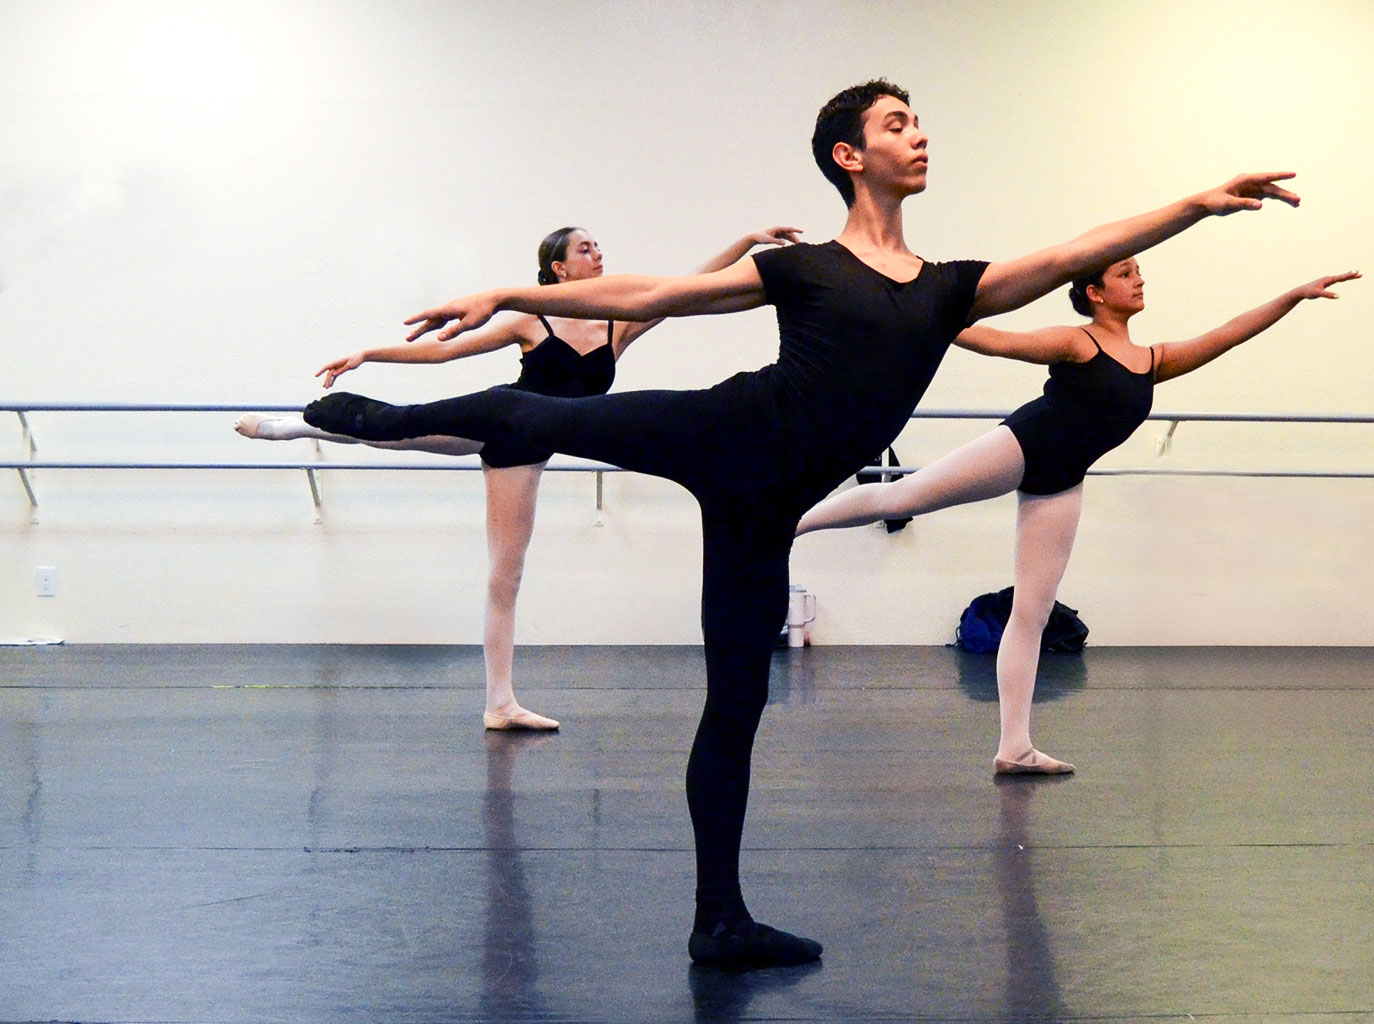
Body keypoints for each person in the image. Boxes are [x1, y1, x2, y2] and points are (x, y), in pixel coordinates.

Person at [303, 79, 1301, 968]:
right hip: (728, 431)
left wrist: (1194, 208)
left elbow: (1074, 252)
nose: (919, 137)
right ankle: (373, 420)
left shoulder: (953, 286)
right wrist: (513, 291)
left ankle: (720, 921)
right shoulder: (808, 268)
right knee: (543, 414)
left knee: (736, 704)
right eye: (896, 124)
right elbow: (659, 293)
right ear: (848, 155)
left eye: (920, 123)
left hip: (768, 505)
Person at [798, 260, 1360, 775]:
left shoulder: (1152, 361)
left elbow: (1228, 333)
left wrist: (1292, 295)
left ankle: (1014, 747)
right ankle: (790, 521)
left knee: (1032, 612)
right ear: (1095, 293)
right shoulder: (1078, 342)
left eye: (1139, 271)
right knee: (902, 497)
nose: (1139, 279)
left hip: (1062, 479)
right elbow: (995, 341)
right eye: (1125, 272)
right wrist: (920, 314)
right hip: (1022, 444)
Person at [237, 225, 800, 732]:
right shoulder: (532, 319)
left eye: (598, 245)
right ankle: (294, 426)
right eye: (586, 247)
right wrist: (368, 352)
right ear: (560, 270)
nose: (598, 252)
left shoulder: (618, 324)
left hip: (524, 453)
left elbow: (688, 286)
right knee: (398, 429)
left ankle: (500, 705)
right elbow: (443, 352)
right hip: (497, 417)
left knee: (505, 577)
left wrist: (745, 242)